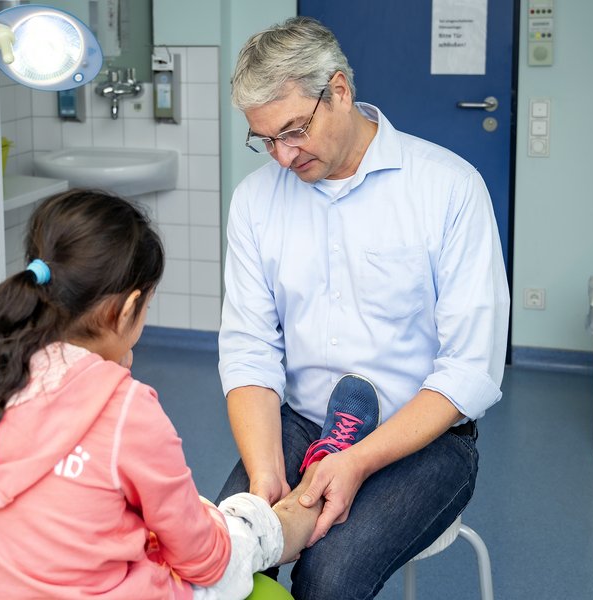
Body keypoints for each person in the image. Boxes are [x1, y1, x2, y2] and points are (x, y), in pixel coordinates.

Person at [0, 189, 329, 600]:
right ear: (123, 312)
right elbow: (204, 560)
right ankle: (306, 501)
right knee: (238, 533)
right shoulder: (124, 411)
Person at [216, 16, 511, 600]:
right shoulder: (255, 202)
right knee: (224, 560)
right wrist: (265, 472)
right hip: (298, 421)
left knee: (328, 576)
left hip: (424, 434)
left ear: (340, 91)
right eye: (266, 139)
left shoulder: (448, 189)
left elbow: (470, 370)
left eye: (294, 130)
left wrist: (357, 462)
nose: (281, 156)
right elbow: (250, 348)